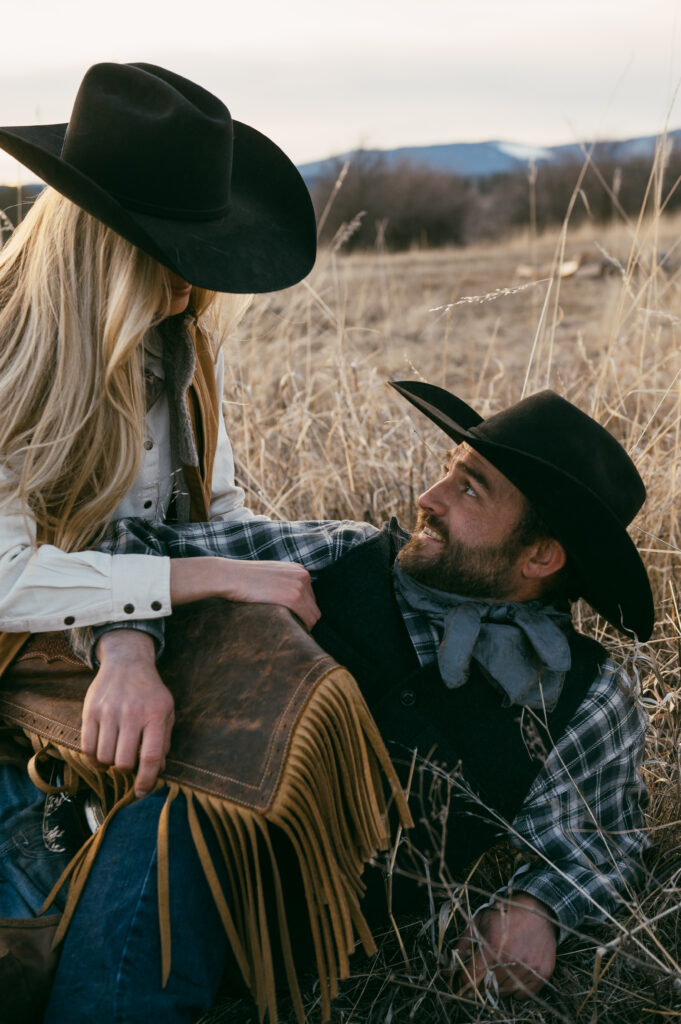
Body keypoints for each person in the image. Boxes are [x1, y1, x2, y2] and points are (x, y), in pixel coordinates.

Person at [49, 381, 652, 1017]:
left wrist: (540, 909)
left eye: (469, 488)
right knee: (177, 824)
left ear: (541, 555)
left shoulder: (587, 695)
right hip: (145, 859)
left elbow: (602, 841)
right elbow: (129, 547)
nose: (428, 498)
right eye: (449, 472)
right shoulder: (338, 555)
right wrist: (127, 653)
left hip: (302, 968)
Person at [0, 59, 322, 1021]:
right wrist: (203, 581)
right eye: (170, 253)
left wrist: (141, 628)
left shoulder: (172, 354)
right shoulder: (12, 360)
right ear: (104, 252)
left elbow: (204, 515)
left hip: (84, 672)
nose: (194, 284)